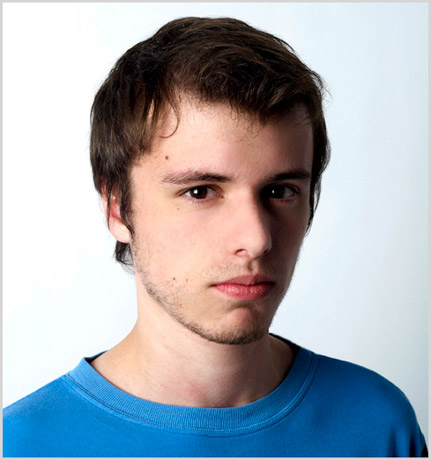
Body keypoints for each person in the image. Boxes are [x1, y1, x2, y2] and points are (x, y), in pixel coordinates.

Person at [3, 17, 427, 457]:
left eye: (281, 191)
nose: (257, 239)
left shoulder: (379, 424)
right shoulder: (22, 445)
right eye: (200, 191)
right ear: (117, 207)